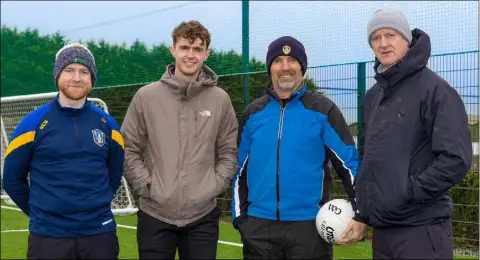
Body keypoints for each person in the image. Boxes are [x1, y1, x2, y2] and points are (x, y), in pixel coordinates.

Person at [230, 35, 366, 259]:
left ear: (302, 67)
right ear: (270, 68)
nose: (285, 67)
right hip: (258, 229)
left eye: (292, 60)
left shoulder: (323, 110)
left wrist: (360, 213)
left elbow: (349, 165)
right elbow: (237, 171)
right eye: (278, 61)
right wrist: (240, 219)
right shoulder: (253, 114)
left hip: (309, 229)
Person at [354, 8, 473, 259]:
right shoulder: (373, 96)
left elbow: (455, 158)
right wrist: (363, 212)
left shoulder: (436, 91)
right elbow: (367, 159)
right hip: (384, 231)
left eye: (391, 35)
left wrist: (409, 192)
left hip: (422, 230)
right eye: (376, 38)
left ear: (406, 40)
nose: (383, 43)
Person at [121, 20, 238, 260]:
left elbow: (228, 150)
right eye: (185, 47)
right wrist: (147, 185)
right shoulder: (146, 97)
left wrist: (213, 185)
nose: (190, 55)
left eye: (197, 49)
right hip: (154, 214)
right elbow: (128, 148)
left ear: (207, 54)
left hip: (202, 216)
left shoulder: (220, 100)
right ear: (173, 50)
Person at [2, 42, 124, 259]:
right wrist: (42, 214)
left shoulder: (108, 125)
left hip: (100, 234)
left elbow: (113, 176)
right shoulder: (31, 124)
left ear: (91, 78)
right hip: (49, 237)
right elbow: (12, 179)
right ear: (57, 75)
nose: (76, 78)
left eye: (84, 72)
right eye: (69, 70)